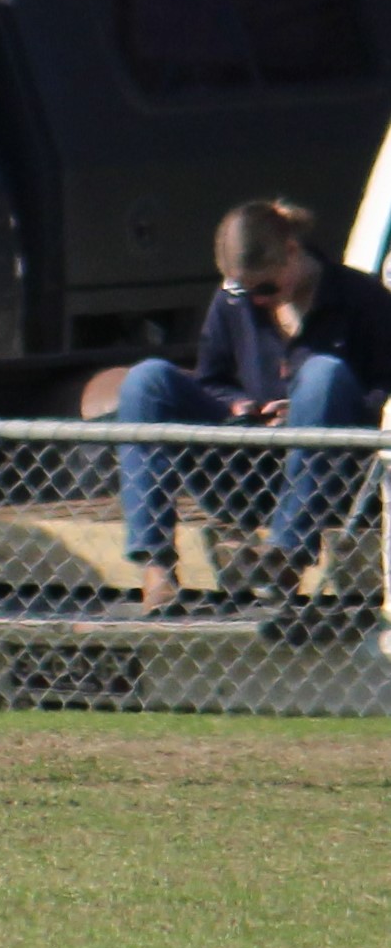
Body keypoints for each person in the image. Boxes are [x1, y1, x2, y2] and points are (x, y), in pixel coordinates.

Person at [112, 198, 391, 632]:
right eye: (243, 291)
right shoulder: (232, 302)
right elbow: (212, 379)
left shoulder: (362, 298)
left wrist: (308, 409)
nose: (255, 300)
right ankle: (156, 566)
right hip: (246, 473)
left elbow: (382, 392)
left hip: (330, 477)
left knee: (324, 374)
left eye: (266, 288)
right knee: (147, 380)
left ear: (292, 253)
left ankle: (286, 556)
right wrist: (238, 406)